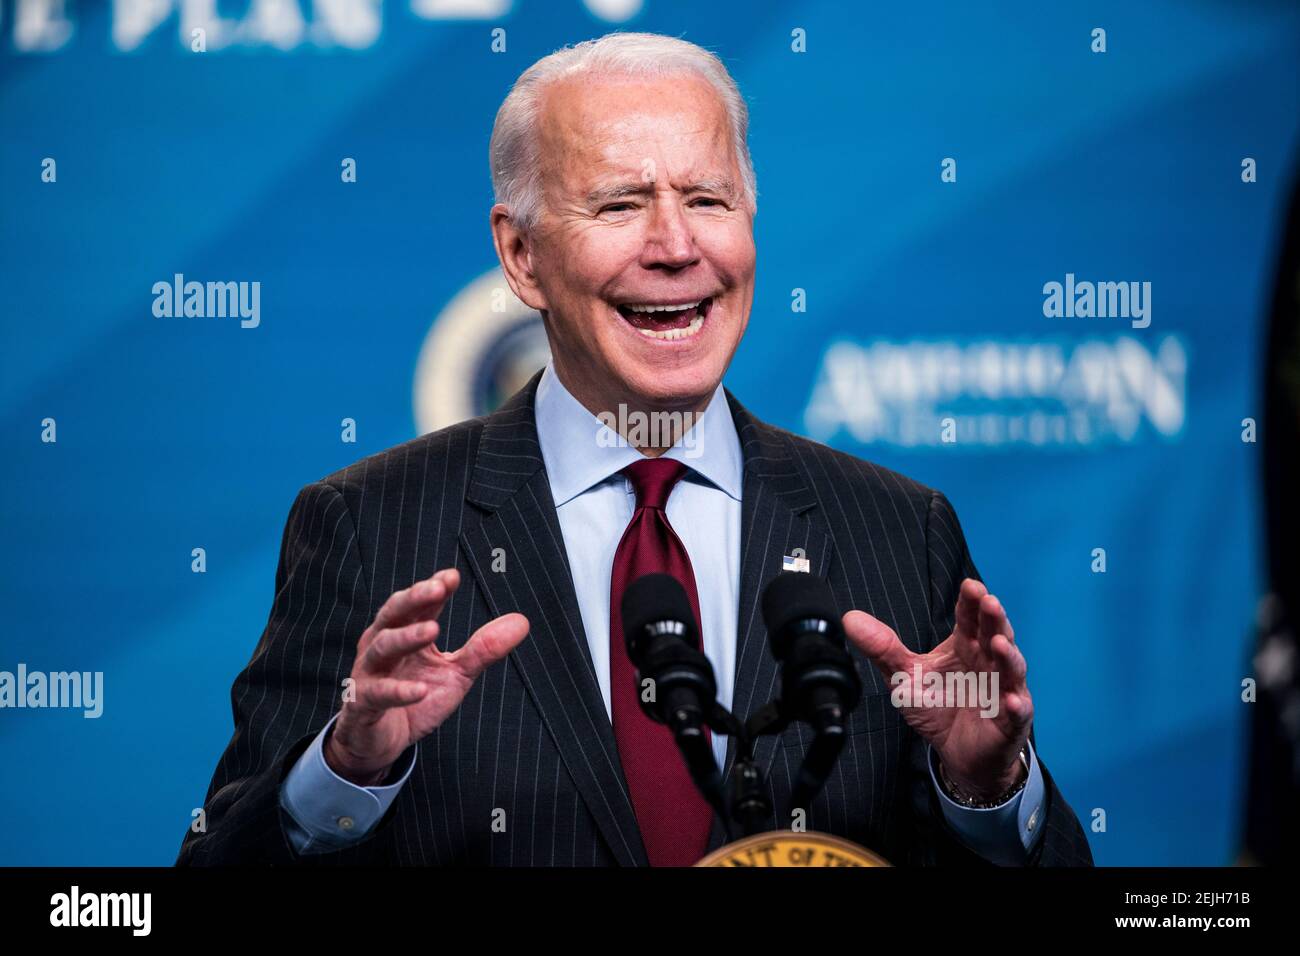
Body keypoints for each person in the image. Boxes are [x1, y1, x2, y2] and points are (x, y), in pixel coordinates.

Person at [178, 31, 1091, 867]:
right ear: (522, 255)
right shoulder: (372, 529)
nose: (675, 244)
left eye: (706, 198)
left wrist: (983, 789)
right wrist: (347, 770)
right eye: (620, 204)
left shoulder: (900, 530)